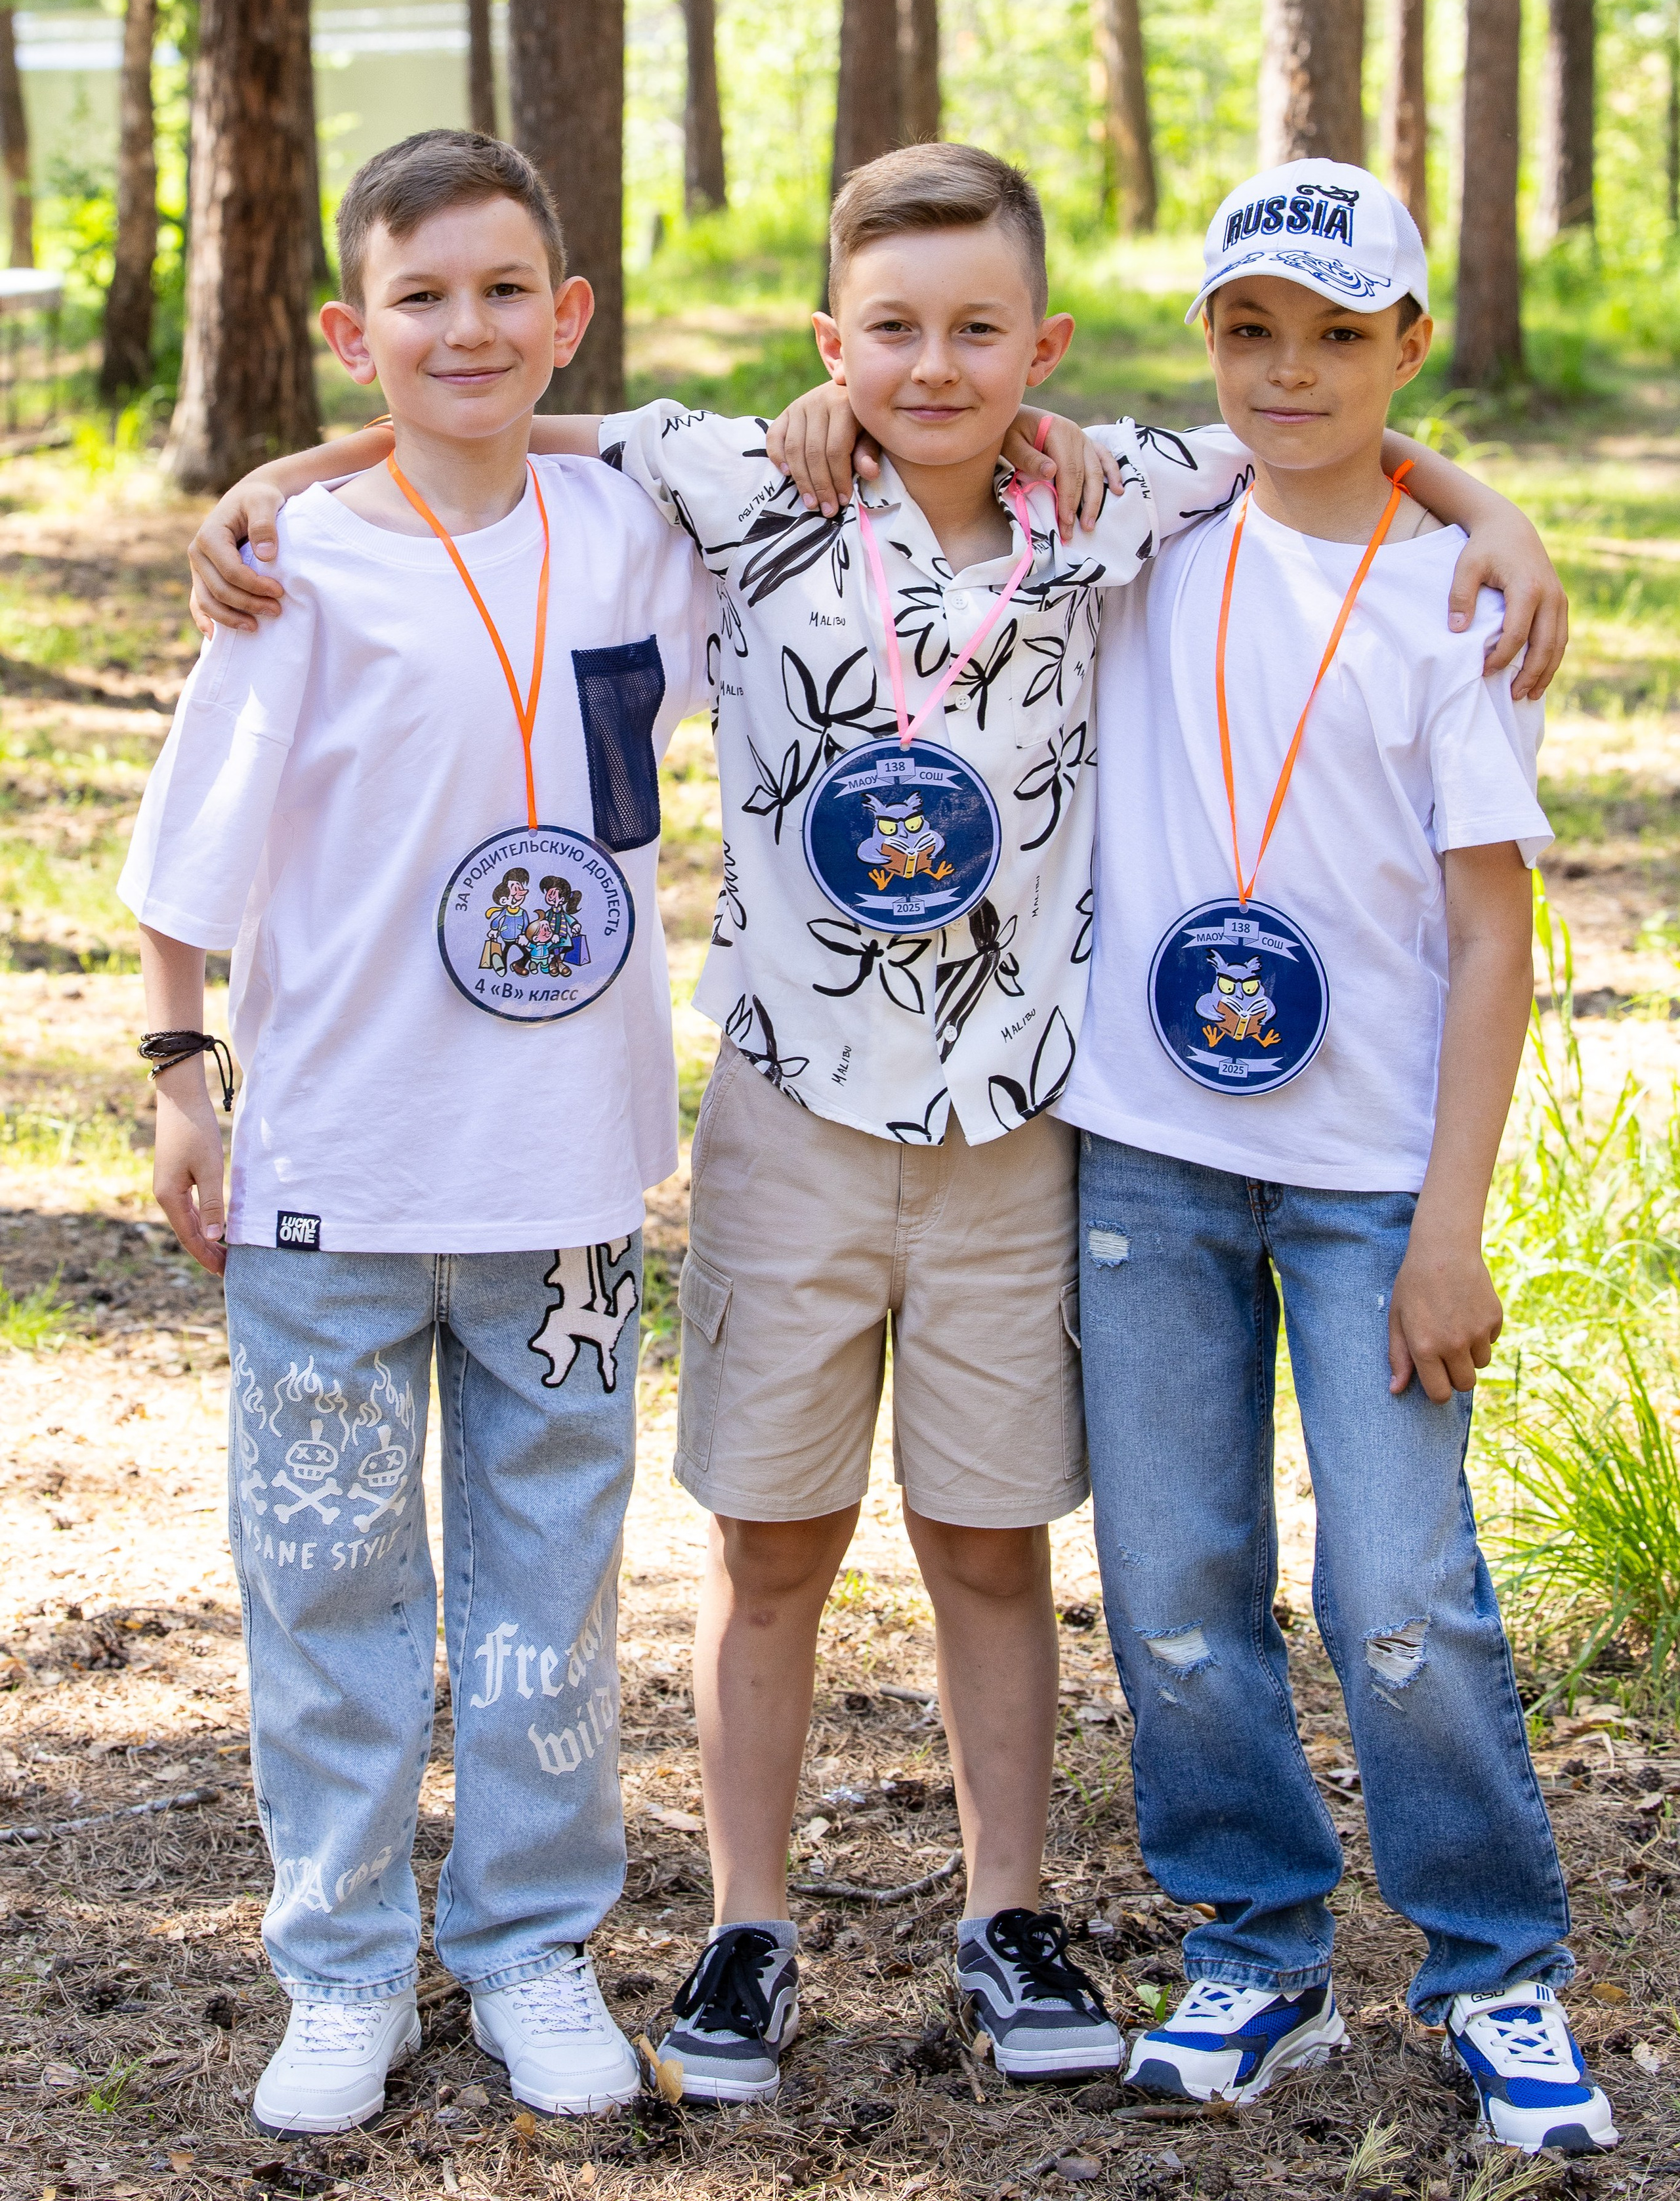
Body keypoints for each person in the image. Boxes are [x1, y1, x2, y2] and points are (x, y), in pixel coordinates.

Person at [184, 143, 1566, 2106]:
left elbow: (1323, 440)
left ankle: (1009, 1912)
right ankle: (751, 1926)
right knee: (774, 1544)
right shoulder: (753, 488)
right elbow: (502, 414)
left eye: (978, 329)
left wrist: (1491, 506)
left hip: (1022, 1132)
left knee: (992, 1544)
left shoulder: (1116, 503)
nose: (934, 366)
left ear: (1045, 346)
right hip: (793, 1120)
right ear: (832, 342)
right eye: (893, 330)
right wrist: (284, 477)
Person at [119, 129, 713, 2135]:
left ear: (570, 315)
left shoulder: (639, 526)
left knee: (553, 1582)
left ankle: (534, 1943)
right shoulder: (297, 564)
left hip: (562, 1180)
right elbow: (191, 856)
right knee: (331, 1584)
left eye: (502, 292)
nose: (463, 329)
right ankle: (345, 1963)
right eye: (417, 297)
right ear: (344, 329)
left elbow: (852, 426)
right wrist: (180, 1071)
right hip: (337, 1181)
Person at [1055, 162, 1615, 2156]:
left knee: (1400, 1584)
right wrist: (312, 470)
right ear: (1205, 339)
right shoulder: (1144, 517)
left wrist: (1450, 1224)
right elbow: (885, 414)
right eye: (1248, 331)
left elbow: (1488, 937)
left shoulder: (1457, 602)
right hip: (1147, 1158)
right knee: (1175, 1580)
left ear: (1406, 347)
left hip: (1376, 1175)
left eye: (1337, 335)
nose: (1289, 372)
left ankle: (1496, 1969)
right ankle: (1255, 1948)